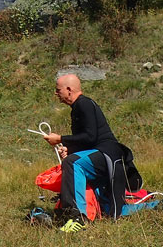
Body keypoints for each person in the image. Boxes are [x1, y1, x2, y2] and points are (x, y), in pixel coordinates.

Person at [43, 73, 134, 232]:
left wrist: (60, 139)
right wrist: (70, 149)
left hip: (108, 154)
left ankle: (76, 217)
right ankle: (75, 212)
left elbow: (90, 137)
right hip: (101, 153)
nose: (56, 94)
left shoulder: (83, 104)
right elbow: (87, 140)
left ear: (69, 90)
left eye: (58, 90)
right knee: (72, 160)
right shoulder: (78, 107)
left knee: (72, 163)